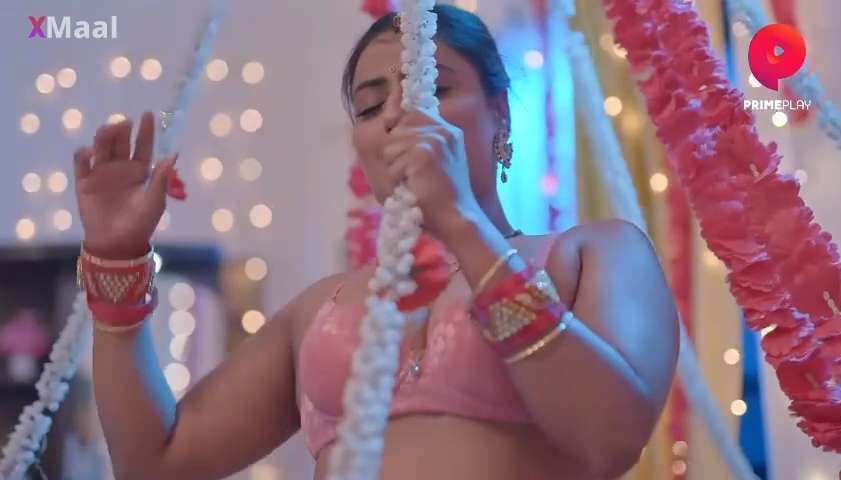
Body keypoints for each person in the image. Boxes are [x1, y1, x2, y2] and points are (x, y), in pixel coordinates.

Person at [72, 6, 678, 480]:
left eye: (432, 91)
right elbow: (156, 462)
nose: (395, 115)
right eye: (369, 106)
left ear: (501, 115)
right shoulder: (322, 308)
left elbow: (609, 438)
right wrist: (117, 262)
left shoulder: (593, 254)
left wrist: (460, 219)